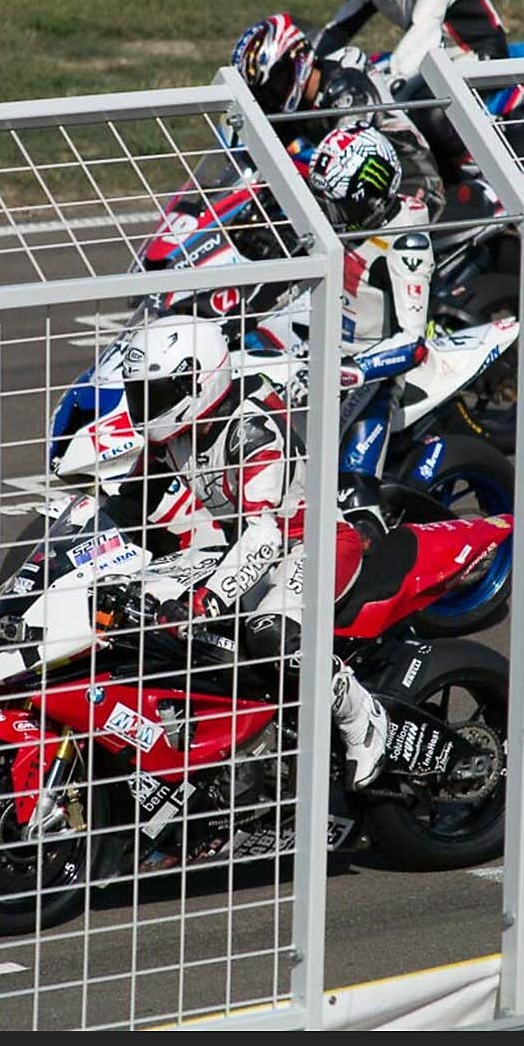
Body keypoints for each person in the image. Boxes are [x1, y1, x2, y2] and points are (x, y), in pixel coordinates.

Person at [110, 313, 390, 792]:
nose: (144, 407)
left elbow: (265, 535)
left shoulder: (254, 434)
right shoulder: (177, 435)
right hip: (242, 547)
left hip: (311, 543)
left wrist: (206, 601)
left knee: (269, 632)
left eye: (154, 394)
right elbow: (131, 505)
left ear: (196, 380)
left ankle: (360, 714)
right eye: (140, 395)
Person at [314, 0, 509, 178]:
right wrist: (306, 64)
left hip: (478, 52)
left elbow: (426, 26)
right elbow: (337, 29)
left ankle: (477, 177)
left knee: (428, 113)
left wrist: (393, 75)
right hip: (436, 58)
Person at [305, 122, 434, 539]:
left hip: (371, 376)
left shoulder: (406, 240)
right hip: (319, 348)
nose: (331, 215)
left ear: (370, 198)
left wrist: (355, 371)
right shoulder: (345, 223)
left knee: (352, 497)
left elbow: (414, 344)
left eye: (339, 206)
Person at [230, 11, 438, 205]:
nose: (269, 97)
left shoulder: (346, 87)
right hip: (364, 196)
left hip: (411, 184)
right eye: (262, 93)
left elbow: (346, 158)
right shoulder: (297, 105)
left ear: (297, 59)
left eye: (273, 85)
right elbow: (255, 152)